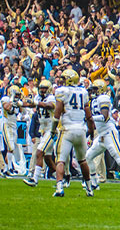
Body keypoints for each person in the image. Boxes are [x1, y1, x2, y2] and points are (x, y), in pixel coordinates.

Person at [52, 69, 95, 197]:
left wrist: (52, 129)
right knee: (83, 161)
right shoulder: (83, 92)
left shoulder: (62, 92)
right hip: (81, 130)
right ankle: (89, 188)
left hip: (67, 130)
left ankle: (59, 188)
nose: (62, 81)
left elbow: (57, 113)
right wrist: (91, 132)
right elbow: (89, 116)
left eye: (64, 78)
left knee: (61, 160)